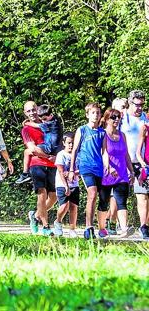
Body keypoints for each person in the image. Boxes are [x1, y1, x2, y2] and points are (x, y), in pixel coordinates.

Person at [68, 102, 106, 239]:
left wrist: (108, 167)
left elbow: (104, 152)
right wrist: (72, 169)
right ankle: (88, 227)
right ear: (87, 115)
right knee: (92, 193)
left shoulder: (103, 132)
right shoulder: (82, 130)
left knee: (100, 197)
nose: (96, 115)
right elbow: (75, 150)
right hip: (86, 166)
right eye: (93, 113)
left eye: (98, 113)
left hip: (99, 168)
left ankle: (101, 227)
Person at [22, 102, 59, 235]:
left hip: (52, 164)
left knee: (54, 197)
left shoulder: (47, 123)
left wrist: (56, 157)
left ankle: (36, 215)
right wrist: (49, 156)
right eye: (28, 111)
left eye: (33, 109)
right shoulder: (26, 129)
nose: (32, 113)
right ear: (25, 113)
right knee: (42, 194)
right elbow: (32, 149)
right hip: (37, 163)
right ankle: (46, 227)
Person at [100, 108, 135, 237]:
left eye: (118, 117)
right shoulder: (103, 134)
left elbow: (126, 155)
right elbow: (103, 152)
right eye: (113, 117)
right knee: (104, 201)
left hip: (121, 174)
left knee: (121, 201)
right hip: (107, 173)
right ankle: (102, 228)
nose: (116, 120)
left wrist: (131, 171)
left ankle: (124, 228)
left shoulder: (122, 135)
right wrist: (109, 166)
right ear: (107, 119)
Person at [121, 90, 149, 239]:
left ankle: (144, 226)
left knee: (143, 195)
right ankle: (114, 224)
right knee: (119, 197)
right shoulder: (122, 117)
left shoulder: (146, 119)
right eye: (137, 104)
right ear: (130, 102)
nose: (140, 108)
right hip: (123, 163)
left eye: (142, 105)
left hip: (141, 163)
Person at [16, 104, 63, 185]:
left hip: (49, 148)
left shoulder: (50, 124)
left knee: (28, 151)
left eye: (44, 119)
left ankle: (25, 173)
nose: (43, 121)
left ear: (50, 115)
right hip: (54, 148)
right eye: (42, 119)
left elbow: (36, 125)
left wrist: (26, 123)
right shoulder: (55, 120)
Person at [52, 133, 80, 237]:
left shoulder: (77, 155)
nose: (71, 145)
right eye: (69, 143)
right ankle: (58, 222)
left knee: (74, 207)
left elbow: (81, 169)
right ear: (64, 143)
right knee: (64, 206)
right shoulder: (61, 154)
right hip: (62, 184)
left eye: (73, 143)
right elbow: (60, 171)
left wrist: (74, 173)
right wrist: (66, 186)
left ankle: (72, 229)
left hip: (75, 184)